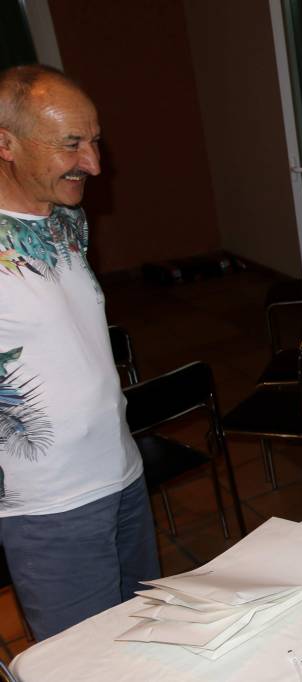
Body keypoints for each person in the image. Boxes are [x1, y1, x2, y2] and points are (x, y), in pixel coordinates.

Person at [0, 64, 159, 639]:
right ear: (5, 143)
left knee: (147, 641)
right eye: (71, 144)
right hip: (50, 507)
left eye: (95, 142)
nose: (93, 164)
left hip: (123, 474)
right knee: (85, 662)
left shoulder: (68, 219)